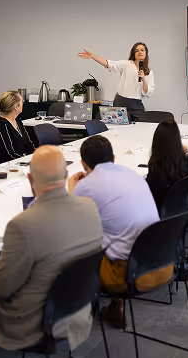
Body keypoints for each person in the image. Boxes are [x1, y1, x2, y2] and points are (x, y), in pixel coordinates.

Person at [0, 146, 102, 350]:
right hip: (78, 308)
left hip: (35, 323)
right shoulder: (90, 207)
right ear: (66, 175)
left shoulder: (23, 225)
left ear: (30, 179)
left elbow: (0, 290)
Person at [68, 135, 172, 329]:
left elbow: (70, 223)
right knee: (112, 230)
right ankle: (116, 307)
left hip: (128, 277)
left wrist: (72, 189)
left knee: (77, 245)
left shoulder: (86, 186)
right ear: (114, 158)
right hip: (162, 263)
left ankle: (65, 318)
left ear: (83, 164)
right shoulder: (133, 174)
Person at [78, 42, 154, 121]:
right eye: (137, 50)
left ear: (146, 53)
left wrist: (143, 79)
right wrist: (93, 56)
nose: (140, 52)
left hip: (136, 104)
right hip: (121, 101)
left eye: (142, 50)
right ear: (133, 53)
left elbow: (146, 92)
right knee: (118, 126)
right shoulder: (127, 64)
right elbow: (109, 64)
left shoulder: (149, 72)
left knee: (140, 124)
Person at [146, 119, 188, 212]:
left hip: (157, 214)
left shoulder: (156, 168)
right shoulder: (184, 162)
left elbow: (150, 195)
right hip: (180, 213)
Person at [0, 90, 35, 167]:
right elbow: (9, 155)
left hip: (21, 163)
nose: (23, 103)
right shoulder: (1, 125)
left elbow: (29, 145)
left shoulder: (17, 120)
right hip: (6, 168)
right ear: (16, 107)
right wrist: (28, 163)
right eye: (22, 101)